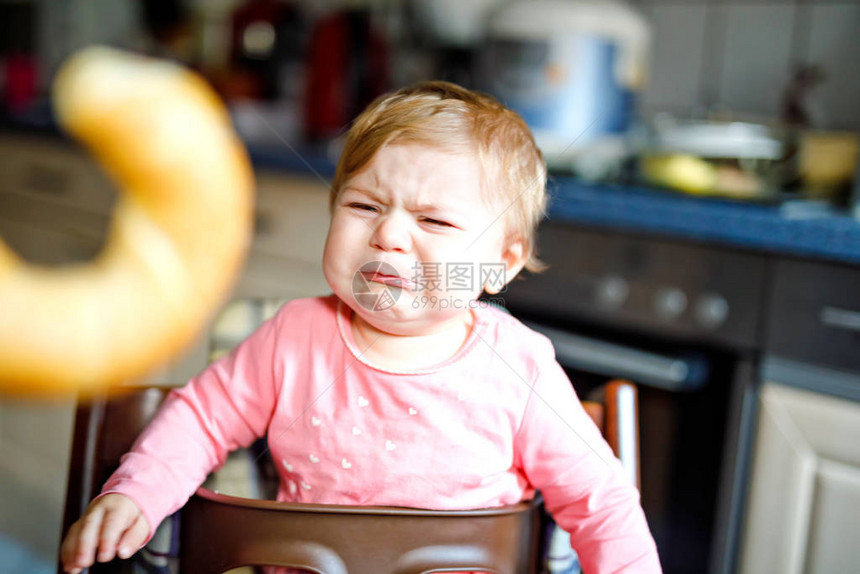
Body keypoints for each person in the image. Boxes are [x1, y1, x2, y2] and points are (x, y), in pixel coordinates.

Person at [61, 81, 661, 573]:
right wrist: (134, 494)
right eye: (363, 206)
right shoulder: (292, 336)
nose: (389, 235)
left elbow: (599, 501)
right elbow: (198, 418)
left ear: (498, 265)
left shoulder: (520, 366)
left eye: (434, 221)